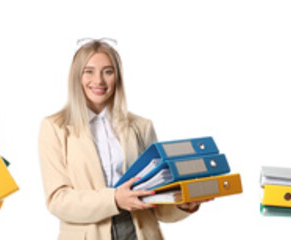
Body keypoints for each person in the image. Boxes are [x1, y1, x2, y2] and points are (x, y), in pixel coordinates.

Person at [37, 39, 205, 240]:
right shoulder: (55, 127)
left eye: (107, 71)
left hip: (141, 232)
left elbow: (157, 203)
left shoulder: (142, 126)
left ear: (117, 77)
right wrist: (114, 199)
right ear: (76, 77)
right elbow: (58, 200)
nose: (98, 80)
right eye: (88, 71)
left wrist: (181, 204)